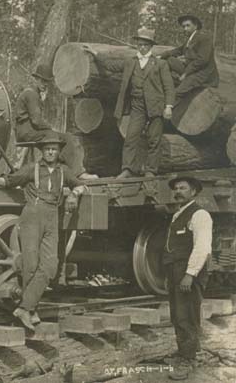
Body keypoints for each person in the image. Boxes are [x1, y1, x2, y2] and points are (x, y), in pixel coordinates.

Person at [0, 136, 88, 330]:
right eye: (47, 149)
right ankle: (30, 309)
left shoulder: (64, 172)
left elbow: (80, 184)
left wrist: (75, 195)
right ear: (41, 152)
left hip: (52, 217)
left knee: (51, 266)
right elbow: (9, 181)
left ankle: (24, 308)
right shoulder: (31, 169)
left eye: (54, 149)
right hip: (32, 215)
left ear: (58, 151)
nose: (51, 152)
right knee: (31, 265)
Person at [103, 28, 175, 178]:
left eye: (145, 45)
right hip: (137, 106)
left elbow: (169, 87)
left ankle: (150, 170)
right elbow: (111, 66)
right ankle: (128, 169)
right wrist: (95, 55)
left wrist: (168, 106)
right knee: (131, 137)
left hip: (156, 106)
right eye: (140, 44)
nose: (142, 47)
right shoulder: (131, 62)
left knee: (154, 139)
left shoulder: (160, 64)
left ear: (151, 46)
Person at [163, 175, 212, 381]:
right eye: (176, 188)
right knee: (178, 314)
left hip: (188, 272)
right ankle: (187, 350)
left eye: (183, 188)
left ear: (194, 192)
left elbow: (202, 247)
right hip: (177, 270)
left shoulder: (200, 215)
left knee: (187, 315)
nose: (178, 191)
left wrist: (190, 274)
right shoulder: (178, 214)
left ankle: (188, 360)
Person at [14, 64, 96, 179]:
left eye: (47, 82)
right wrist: (51, 129)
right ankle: (77, 173)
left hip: (27, 131)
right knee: (66, 138)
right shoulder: (31, 94)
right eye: (42, 81)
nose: (45, 84)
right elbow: (37, 121)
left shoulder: (33, 93)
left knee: (63, 138)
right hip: (28, 132)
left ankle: (64, 173)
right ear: (36, 79)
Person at [164, 14, 218, 102]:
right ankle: (169, 82)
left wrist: (185, 73)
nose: (185, 29)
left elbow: (202, 60)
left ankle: (171, 111)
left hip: (203, 74)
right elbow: (179, 50)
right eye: (183, 26)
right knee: (169, 60)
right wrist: (161, 55)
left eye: (188, 25)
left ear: (195, 25)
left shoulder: (204, 38)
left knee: (178, 92)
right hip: (192, 70)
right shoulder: (190, 39)